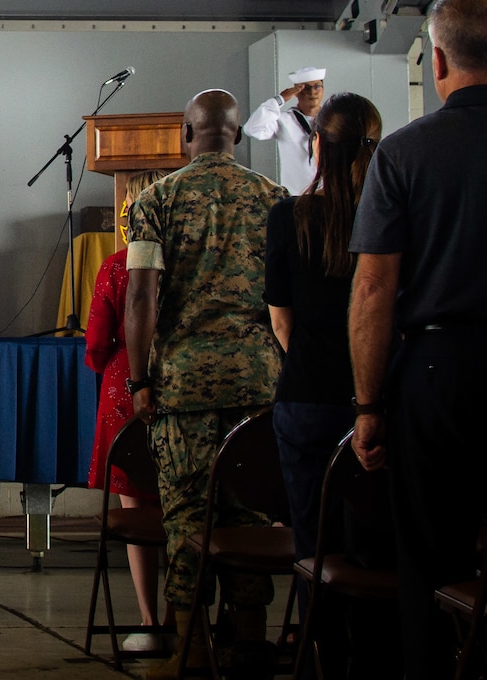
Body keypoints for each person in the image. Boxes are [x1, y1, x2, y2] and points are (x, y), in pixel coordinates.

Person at [123, 89, 288, 678]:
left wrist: (138, 380)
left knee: (188, 514)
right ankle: (249, 645)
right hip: (258, 382)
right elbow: (287, 301)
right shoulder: (276, 200)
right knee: (249, 514)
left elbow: (140, 295)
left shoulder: (156, 200)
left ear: (186, 136)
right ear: (238, 136)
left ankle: (190, 649)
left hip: (184, 385)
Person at [349, 0, 487, 679]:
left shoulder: (404, 154)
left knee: (430, 557)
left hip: (438, 373)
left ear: (437, 60)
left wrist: (368, 406)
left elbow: (374, 289)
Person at [265, 91, 393, 677]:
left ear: (318, 144)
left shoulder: (287, 216)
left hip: (306, 399)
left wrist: (313, 361)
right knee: (375, 548)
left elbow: (281, 319)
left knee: (313, 547)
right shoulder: (393, 212)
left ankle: (324, 660)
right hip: (379, 398)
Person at [83, 168, 168, 653]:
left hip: (126, 386)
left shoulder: (118, 267)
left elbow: (96, 344)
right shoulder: (188, 262)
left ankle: (149, 619)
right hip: (179, 383)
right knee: (184, 508)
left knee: (137, 510)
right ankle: (186, 614)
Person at [243, 66, 325, 195]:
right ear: (296, 92)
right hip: (296, 197)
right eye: (306, 88)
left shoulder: (332, 119)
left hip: (330, 196)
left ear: (323, 89)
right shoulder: (284, 121)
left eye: (317, 86)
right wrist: (279, 100)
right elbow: (252, 129)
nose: (312, 92)